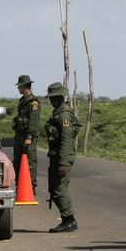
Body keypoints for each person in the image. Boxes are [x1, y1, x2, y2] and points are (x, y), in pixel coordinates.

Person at [45, 82, 80, 233]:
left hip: (62, 156)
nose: (52, 100)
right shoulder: (58, 113)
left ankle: (69, 219)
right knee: (55, 188)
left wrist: (63, 163)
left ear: (60, 97)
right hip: (57, 154)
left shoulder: (64, 115)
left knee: (59, 189)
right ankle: (67, 219)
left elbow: (66, 140)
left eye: (54, 97)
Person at [12, 75, 40, 192]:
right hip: (19, 136)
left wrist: (29, 136)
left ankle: (31, 185)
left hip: (28, 137)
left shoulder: (33, 102)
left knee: (29, 161)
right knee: (17, 160)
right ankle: (20, 183)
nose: (18, 88)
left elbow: (33, 121)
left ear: (24, 86)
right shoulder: (22, 101)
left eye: (19, 86)